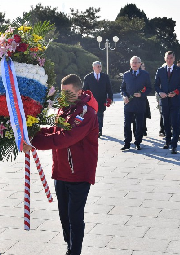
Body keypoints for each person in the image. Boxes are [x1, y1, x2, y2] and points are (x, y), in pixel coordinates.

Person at [24, 74, 99, 255]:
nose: (63, 97)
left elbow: (66, 138)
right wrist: (29, 133)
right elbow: (53, 130)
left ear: (79, 92)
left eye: (69, 93)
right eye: (62, 92)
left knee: (74, 217)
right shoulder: (64, 109)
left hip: (79, 174)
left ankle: (75, 252)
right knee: (64, 216)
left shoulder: (85, 113)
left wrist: (33, 144)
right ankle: (69, 247)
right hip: (61, 172)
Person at [155, 51, 180, 154]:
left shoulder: (179, 71)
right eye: (167, 58)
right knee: (166, 123)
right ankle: (167, 141)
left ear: (174, 59)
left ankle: (174, 145)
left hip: (175, 101)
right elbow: (156, 85)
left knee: (175, 122)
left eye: (171, 58)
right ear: (165, 59)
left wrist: (176, 92)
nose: (169, 60)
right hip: (164, 101)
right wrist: (160, 92)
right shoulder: (160, 70)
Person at [120, 56, 152, 150]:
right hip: (128, 103)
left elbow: (149, 88)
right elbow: (122, 88)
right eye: (133, 62)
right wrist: (124, 96)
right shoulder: (126, 75)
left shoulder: (145, 74)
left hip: (140, 103)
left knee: (139, 124)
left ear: (140, 64)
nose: (134, 64)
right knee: (127, 124)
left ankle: (138, 142)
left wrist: (142, 94)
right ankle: (127, 143)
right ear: (130, 64)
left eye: (136, 62)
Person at [83, 61, 113, 137]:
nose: (99, 68)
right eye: (98, 67)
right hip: (91, 101)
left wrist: (110, 98)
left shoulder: (105, 77)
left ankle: (99, 130)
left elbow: (109, 89)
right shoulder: (88, 77)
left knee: (100, 115)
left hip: (101, 100)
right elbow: (84, 90)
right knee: (92, 116)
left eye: (100, 66)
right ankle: (93, 129)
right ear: (94, 68)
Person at [132, 62, 151, 137]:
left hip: (143, 98)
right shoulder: (134, 74)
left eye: (144, 66)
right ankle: (137, 131)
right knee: (135, 116)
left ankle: (143, 128)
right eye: (142, 66)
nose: (143, 67)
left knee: (144, 114)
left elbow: (148, 86)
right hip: (134, 99)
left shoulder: (145, 75)